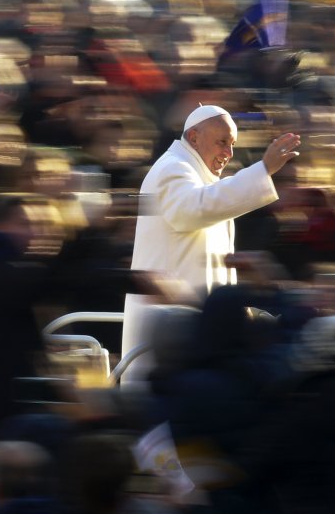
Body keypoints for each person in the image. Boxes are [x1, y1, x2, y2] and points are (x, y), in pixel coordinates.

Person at [121, 105, 301, 376]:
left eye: (232, 145)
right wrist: (262, 170)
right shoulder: (172, 168)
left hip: (193, 328)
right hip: (169, 331)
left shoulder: (195, 173)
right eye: (222, 142)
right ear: (194, 137)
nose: (228, 154)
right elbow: (194, 210)